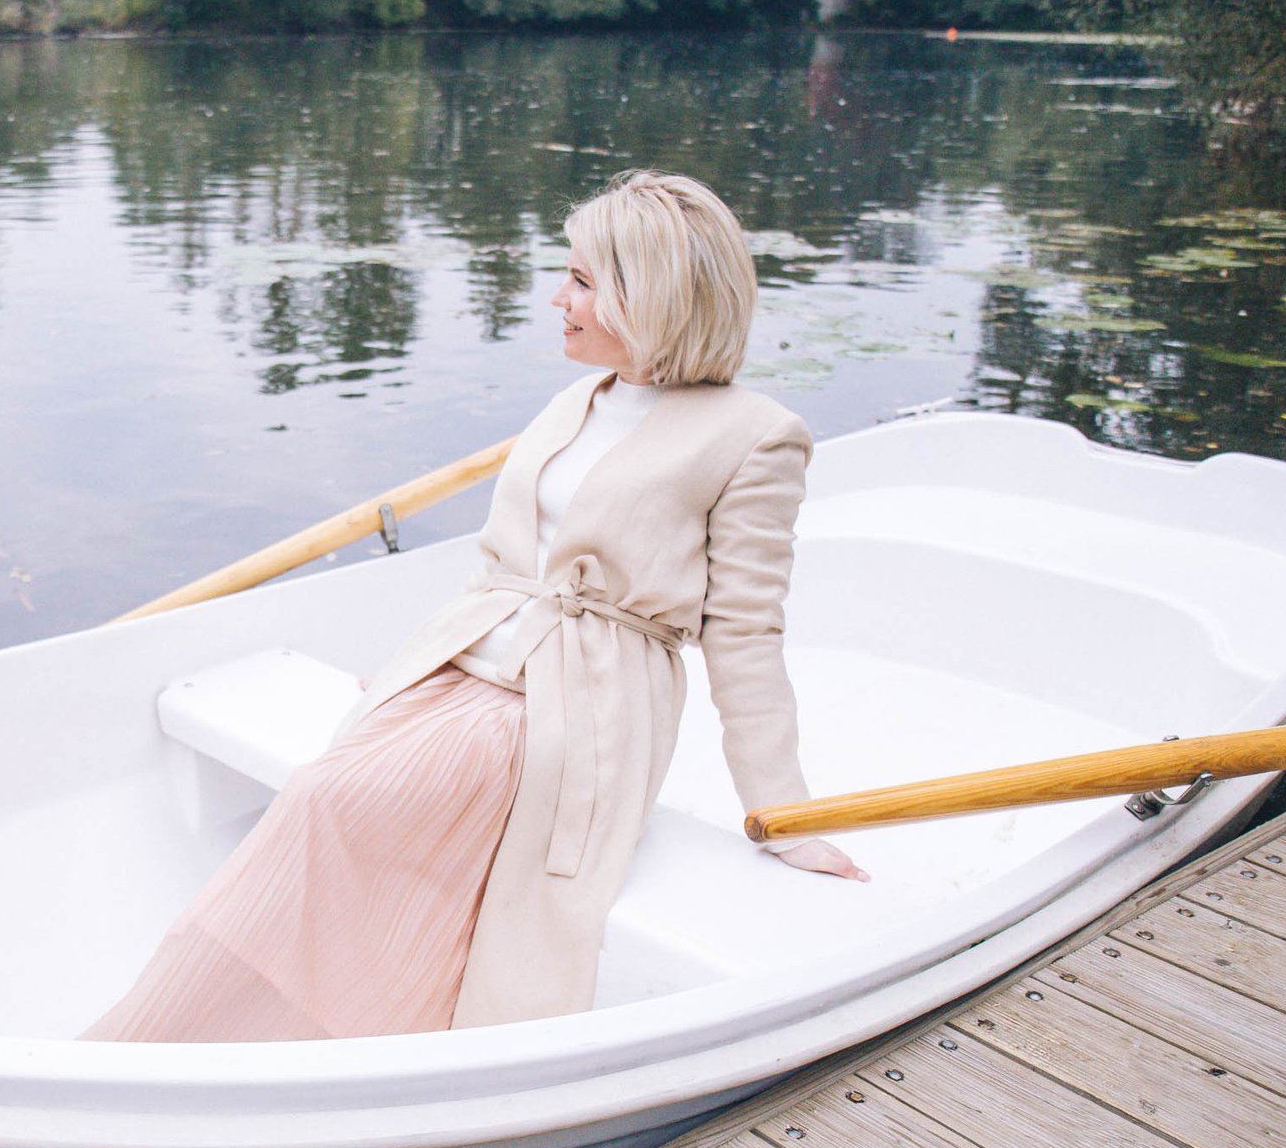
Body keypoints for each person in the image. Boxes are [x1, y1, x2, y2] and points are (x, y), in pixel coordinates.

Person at [85, 171, 867, 1044]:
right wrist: (419, 663)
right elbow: (502, 564)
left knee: (328, 802)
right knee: (323, 785)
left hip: (585, 701)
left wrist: (787, 813)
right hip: (471, 667)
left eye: (581, 280)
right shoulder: (582, 399)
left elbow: (747, 632)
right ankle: (192, 1026)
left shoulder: (756, 435)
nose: (557, 297)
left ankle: (197, 1041)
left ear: (648, 296)